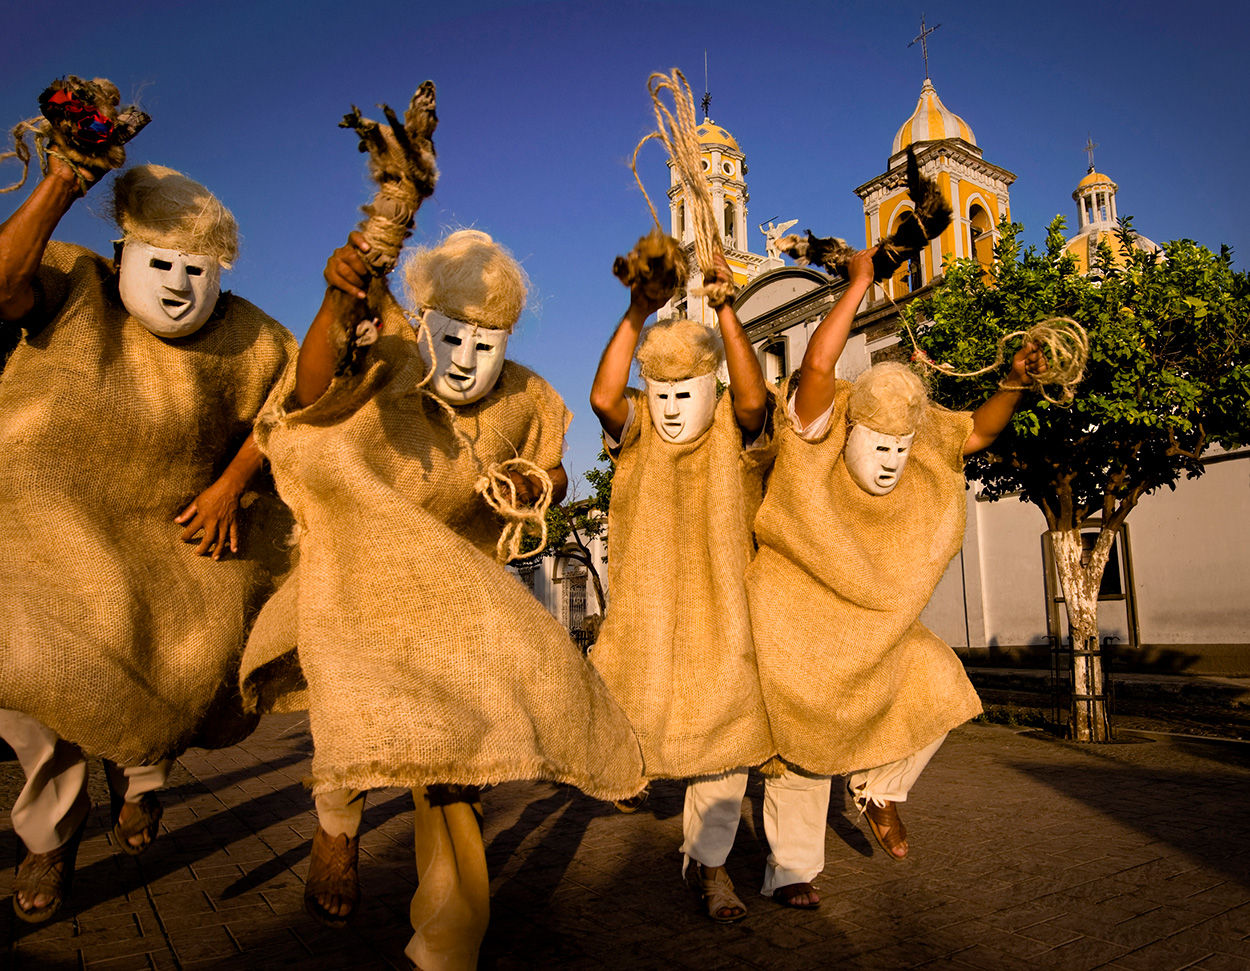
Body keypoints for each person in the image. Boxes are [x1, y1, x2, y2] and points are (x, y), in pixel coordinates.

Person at [242, 229, 644, 970]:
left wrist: (534, 482)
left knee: (455, 765)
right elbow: (309, 394)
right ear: (425, 323)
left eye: (485, 344)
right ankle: (337, 826)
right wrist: (336, 299)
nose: (465, 359)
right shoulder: (385, 364)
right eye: (453, 337)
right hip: (357, 583)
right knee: (356, 724)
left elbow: (555, 473)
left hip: (454, 607)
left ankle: (447, 944)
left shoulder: (527, 397)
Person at [0, 155, 296, 923]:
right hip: (44, 532)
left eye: (196, 269)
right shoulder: (73, 285)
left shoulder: (252, 336)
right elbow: (1, 287)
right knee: (25, 662)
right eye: (160, 263)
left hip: (174, 539)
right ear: (122, 255)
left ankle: (141, 766)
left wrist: (232, 483)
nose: (176, 284)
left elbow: (293, 405)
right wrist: (62, 179)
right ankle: (51, 833)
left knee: (182, 657)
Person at [745, 248, 1045, 905]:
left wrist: (1015, 381)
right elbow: (817, 367)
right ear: (852, 430)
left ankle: (879, 788)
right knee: (803, 744)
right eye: (879, 446)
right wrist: (858, 285)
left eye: (900, 449)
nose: (889, 461)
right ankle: (792, 870)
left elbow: (975, 434)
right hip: (795, 617)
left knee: (937, 677)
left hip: (870, 625)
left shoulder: (919, 441)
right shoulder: (819, 430)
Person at [588, 241, 776, 922]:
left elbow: (752, 398)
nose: (670, 408)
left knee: (725, 749)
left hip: (726, 615)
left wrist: (726, 310)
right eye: (661, 393)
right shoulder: (638, 427)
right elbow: (604, 396)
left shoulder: (732, 426)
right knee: (629, 713)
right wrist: (637, 311)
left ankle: (711, 866)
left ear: (711, 386)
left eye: (684, 393)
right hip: (648, 614)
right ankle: (622, 771)